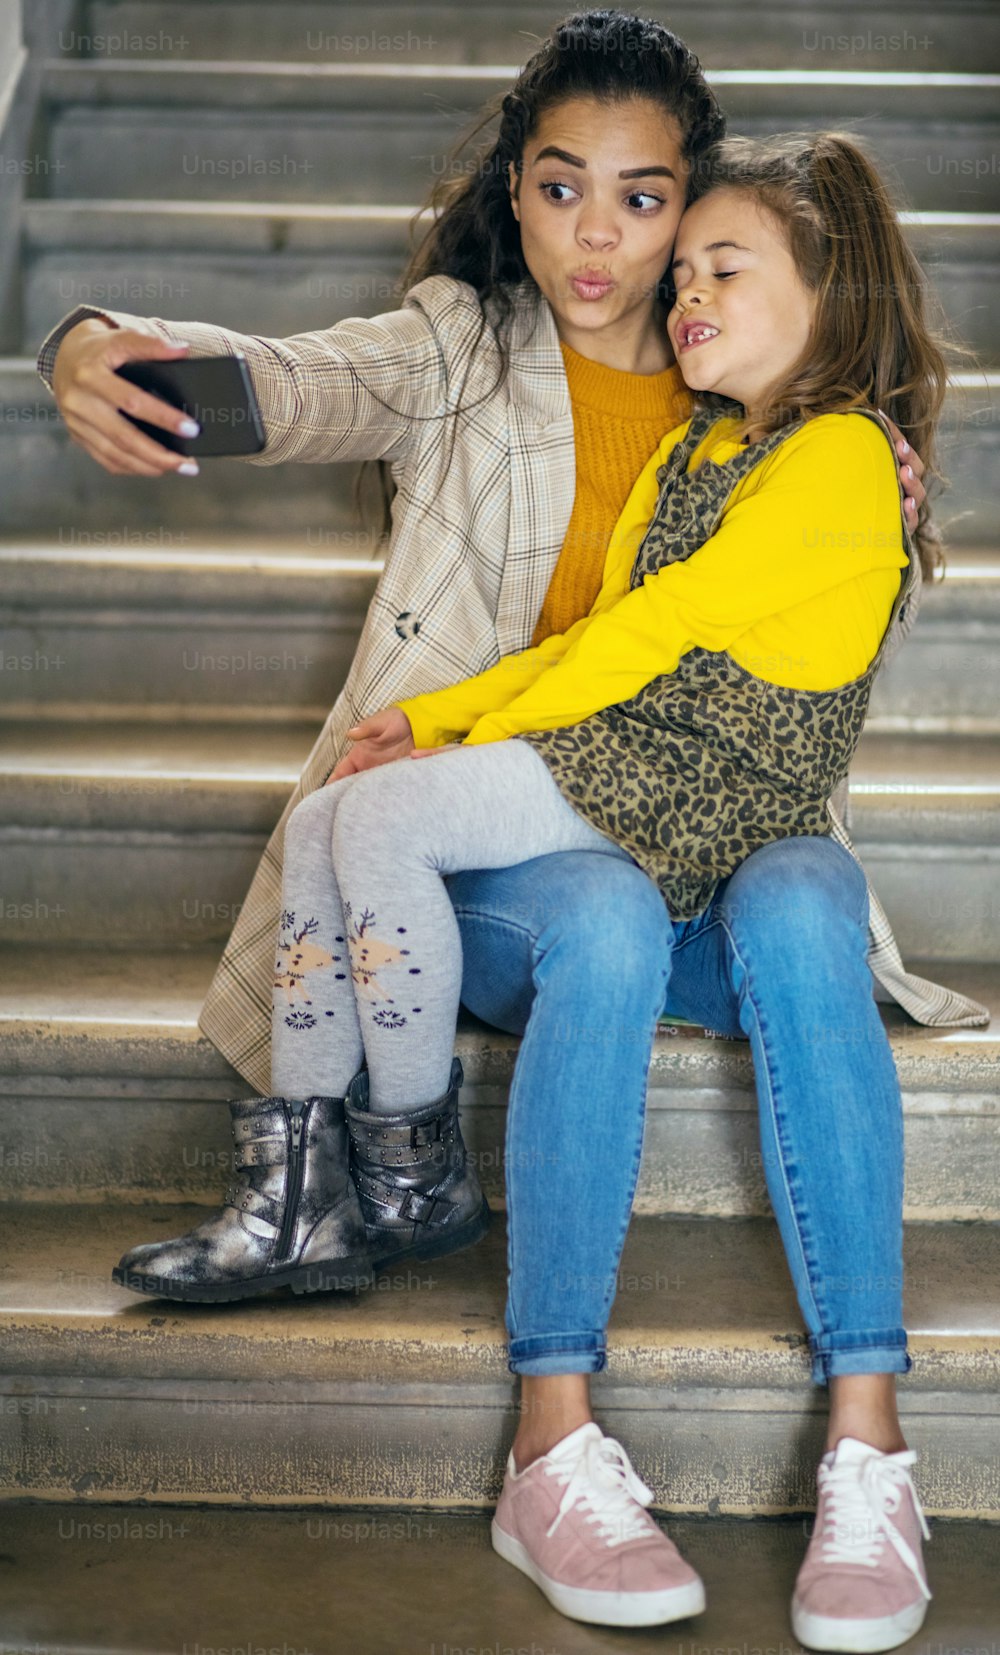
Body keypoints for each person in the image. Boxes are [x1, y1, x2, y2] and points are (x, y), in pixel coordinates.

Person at [36, 11, 988, 1650]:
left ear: (698, 215)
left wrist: (859, 436)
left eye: (651, 209)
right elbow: (308, 384)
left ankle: (868, 1444)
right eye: (562, 193)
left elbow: (739, 606)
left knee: (812, 905)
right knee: (606, 918)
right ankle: (552, 1438)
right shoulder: (463, 346)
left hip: (713, 829)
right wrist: (99, 344)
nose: (612, 248)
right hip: (533, 861)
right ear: (516, 194)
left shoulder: (760, 424)